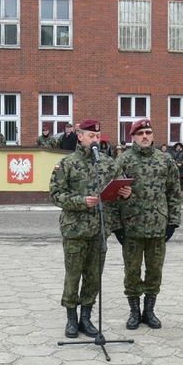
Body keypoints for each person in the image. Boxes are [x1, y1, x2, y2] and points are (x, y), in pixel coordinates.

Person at [49, 119, 131, 339]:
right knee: (73, 275)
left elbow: (121, 186)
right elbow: (56, 195)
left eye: (98, 136)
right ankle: (72, 319)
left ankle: (86, 317)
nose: (95, 140)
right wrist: (80, 201)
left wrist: (126, 194)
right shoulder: (66, 164)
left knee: (94, 277)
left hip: (99, 230)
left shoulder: (107, 163)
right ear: (80, 136)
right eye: (91, 136)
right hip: (75, 230)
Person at [114, 118, 181, 330]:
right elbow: (112, 195)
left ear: (153, 135)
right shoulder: (123, 161)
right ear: (132, 136)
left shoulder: (165, 160)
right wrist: (117, 226)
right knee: (132, 272)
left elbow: (174, 193)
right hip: (131, 227)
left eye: (148, 132)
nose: (145, 136)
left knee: (155, 271)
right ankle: (134, 312)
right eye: (140, 133)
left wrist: (172, 222)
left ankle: (149, 311)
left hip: (157, 227)